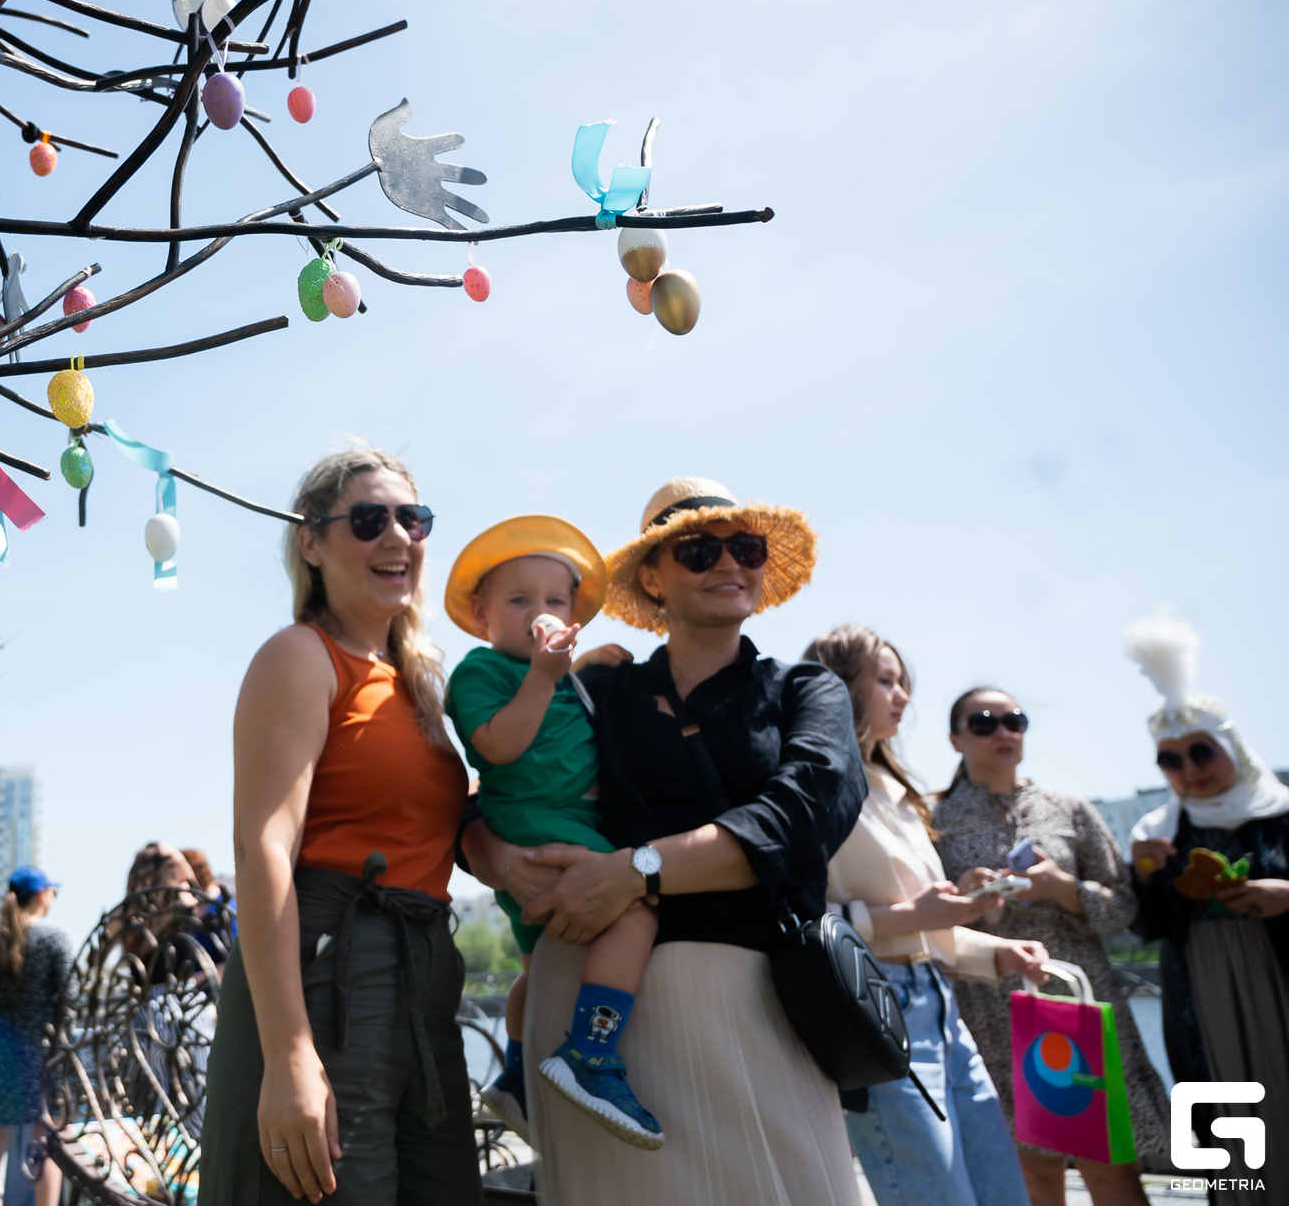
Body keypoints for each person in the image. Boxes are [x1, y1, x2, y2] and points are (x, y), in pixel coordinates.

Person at [460, 476, 869, 1205]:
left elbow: (800, 817)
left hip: (761, 1004)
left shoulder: (807, 691)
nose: (728, 563)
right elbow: (481, 797)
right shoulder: (594, 690)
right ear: (652, 577)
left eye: (746, 548)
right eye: (699, 550)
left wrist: (635, 871)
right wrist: (502, 862)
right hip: (584, 997)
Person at [205, 448, 477, 1206]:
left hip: (421, 974)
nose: (396, 537)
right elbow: (263, 847)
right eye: (367, 519)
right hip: (329, 972)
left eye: (411, 519)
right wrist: (289, 1052)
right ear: (312, 543)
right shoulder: (300, 656)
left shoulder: (418, 684)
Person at [807, 625, 1045, 1206]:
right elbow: (801, 921)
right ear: (842, 686)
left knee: (1003, 1194)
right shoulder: (812, 782)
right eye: (886, 681)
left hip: (939, 1004)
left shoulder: (896, 788)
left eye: (903, 682)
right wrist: (918, 912)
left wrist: (995, 949)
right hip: (874, 1009)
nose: (903, 696)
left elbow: (919, 925)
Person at [442, 514, 660, 1149]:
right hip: (537, 825)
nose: (539, 612)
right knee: (637, 911)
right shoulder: (480, 672)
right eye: (519, 600)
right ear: (481, 614)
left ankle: (514, 1073)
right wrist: (543, 673)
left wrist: (573, 669)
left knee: (538, 968)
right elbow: (498, 746)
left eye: (555, 602)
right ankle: (591, 1053)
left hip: (569, 823)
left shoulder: (560, 677)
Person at [931, 687, 1168, 1206]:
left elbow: (1122, 909)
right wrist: (966, 896)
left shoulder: (1069, 808)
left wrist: (1064, 888)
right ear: (955, 739)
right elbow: (925, 920)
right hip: (990, 1011)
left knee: (1111, 1168)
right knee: (1032, 1178)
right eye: (984, 722)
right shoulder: (932, 820)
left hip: (1076, 999)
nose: (1003, 731)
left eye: (1014, 720)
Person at [1123, 611, 1289, 1206]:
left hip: (1278, 981)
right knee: (1228, 1120)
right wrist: (1145, 878)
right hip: (1205, 998)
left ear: (1232, 748)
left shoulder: (1282, 812)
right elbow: (1149, 927)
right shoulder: (1156, 831)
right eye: (1170, 760)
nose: (1189, 770)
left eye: (1201, 751)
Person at [0, 868, 69, 1206]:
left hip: (5, 1048)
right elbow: (70, 998)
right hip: (45, 1050)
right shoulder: (55, 939)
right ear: (42, 895)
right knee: (45, 1144)